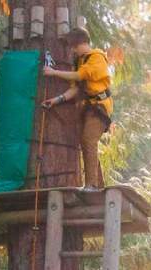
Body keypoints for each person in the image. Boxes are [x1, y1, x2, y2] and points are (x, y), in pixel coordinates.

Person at [41, 26, 112, 190]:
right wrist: (57, 100)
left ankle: (92, 185)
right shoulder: (79, 62)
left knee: (88, 140)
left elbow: (81, 76)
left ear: (81, 43)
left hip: (100, 108)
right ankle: (98, 184)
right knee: (87, 142)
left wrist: (53, 72)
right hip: (87, 108)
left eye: (73, 46)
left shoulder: (97, 58)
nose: (72, 49)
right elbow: (75, 89)